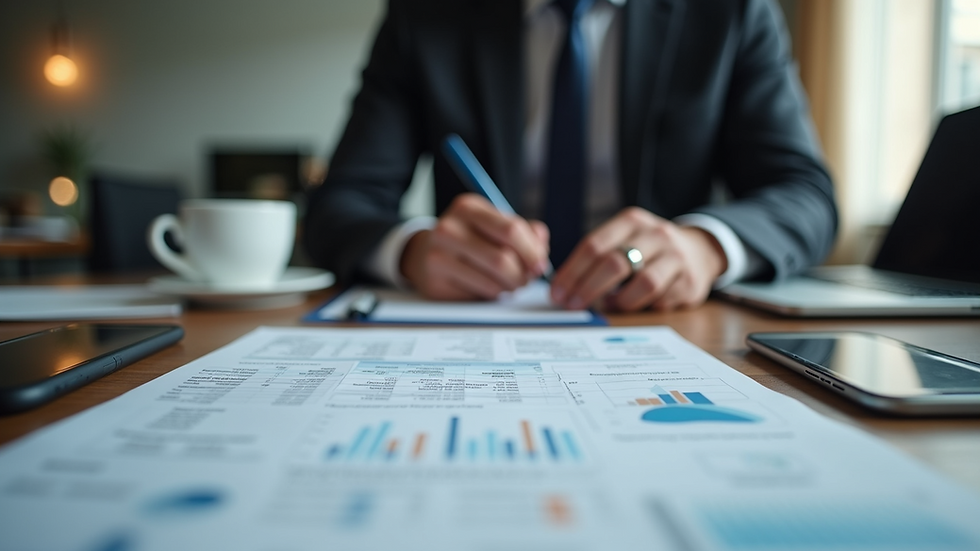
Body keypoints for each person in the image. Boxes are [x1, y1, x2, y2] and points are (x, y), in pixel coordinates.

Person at [304, 0, 838, 312]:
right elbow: (340, 204)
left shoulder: (730, 10)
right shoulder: (425, 14)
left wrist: (704, 248)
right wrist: (413, 251)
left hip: (659, 322)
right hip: (478, 323)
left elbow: (804, 194)